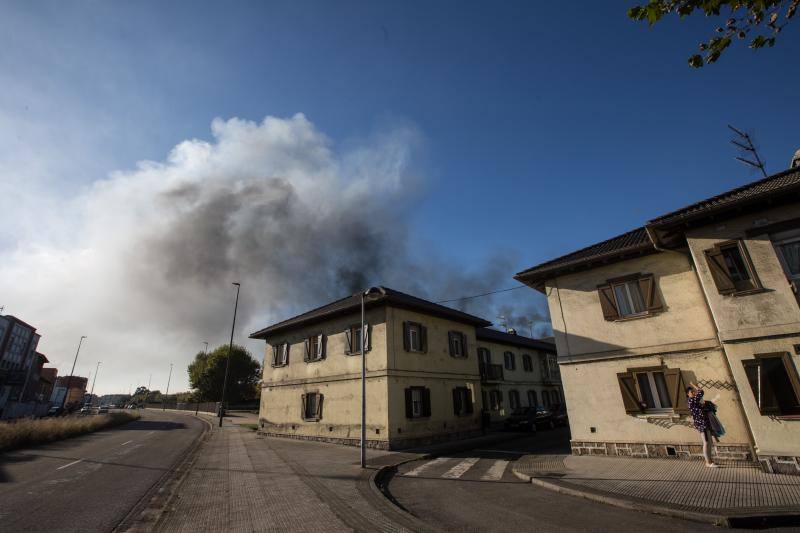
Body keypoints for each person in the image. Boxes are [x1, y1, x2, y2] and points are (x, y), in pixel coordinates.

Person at [686, 383, 718, 467]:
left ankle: (710, 460)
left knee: (709, 442)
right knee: (706, 442)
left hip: (704, 423)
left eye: (693, 391)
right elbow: (701, 392)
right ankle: (708, 462)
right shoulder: (691, 400)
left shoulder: (695, 401)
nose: (693, 393)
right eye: (691, 392)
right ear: (688, 394)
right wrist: (694, 385)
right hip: (701, 424)